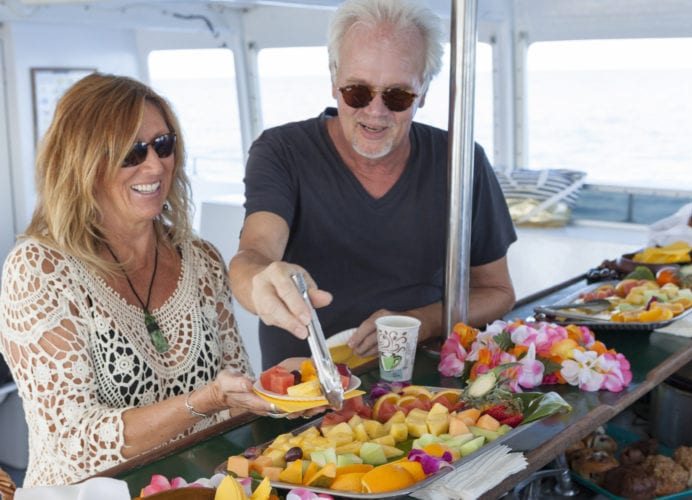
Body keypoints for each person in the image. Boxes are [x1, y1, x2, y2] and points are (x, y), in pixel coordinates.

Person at [0, 73, 313, 488]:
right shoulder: (38, 270)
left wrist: (284, 390)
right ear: (83, 162)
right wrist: (205, 401)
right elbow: (75, 442)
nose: (155, 165)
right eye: (132, 152)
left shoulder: (201, 260)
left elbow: (234, 397)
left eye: (163, 145)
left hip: (197, 486)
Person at [229, 0, 517, 369]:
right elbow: (253, 254)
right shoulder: (282, 151)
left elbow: (497, 291)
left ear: (424, 91)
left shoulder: (462, 161)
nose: (376, 112)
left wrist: (417, 321)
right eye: (357, 92)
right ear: (334, 79)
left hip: (424, 380)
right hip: (308, 391)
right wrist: (260, 280)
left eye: (397, 96)